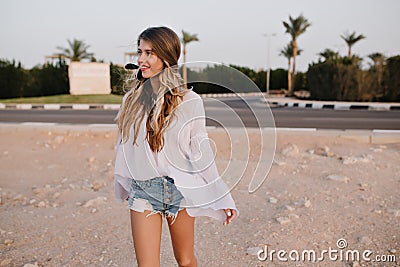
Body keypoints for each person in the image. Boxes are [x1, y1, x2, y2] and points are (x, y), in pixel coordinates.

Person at [114, 26, 238, 267]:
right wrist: (125, 182)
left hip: (179, 190)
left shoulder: (190, 101)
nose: (141, 59)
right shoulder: (131, 100)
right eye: (140, 52)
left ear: (166, 57)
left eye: (149, 53)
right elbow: (124, 145)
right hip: (143, 190)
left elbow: (199, 151)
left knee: (185, 260)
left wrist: (222, 196)